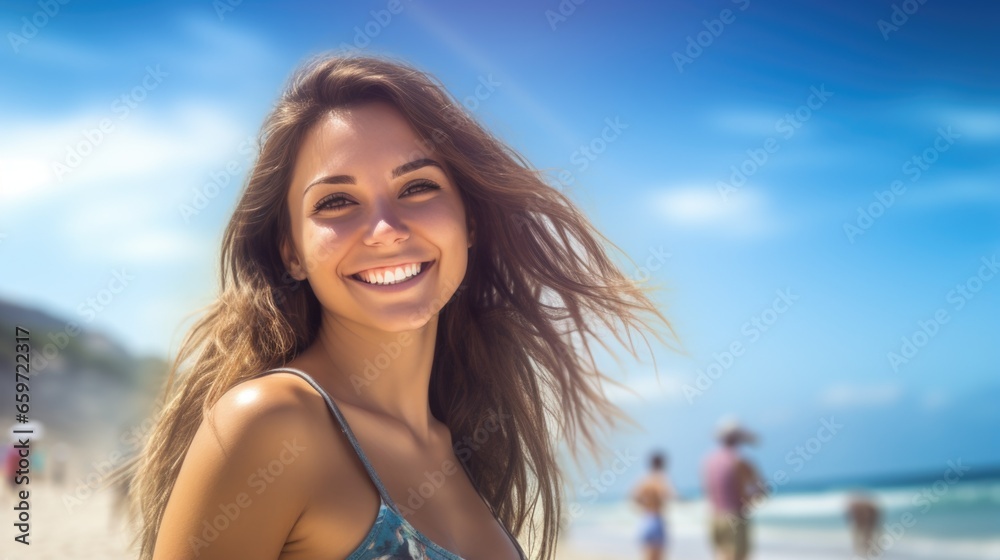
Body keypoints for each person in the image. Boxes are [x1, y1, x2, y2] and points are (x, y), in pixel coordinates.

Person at [117, 54, 674, 560]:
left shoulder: (457, 447)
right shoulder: (270, 424)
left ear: (469, 220)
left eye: (418, 188)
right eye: (337, 201)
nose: (385, 229)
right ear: (291, 251)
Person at [702, 418, 767, 560]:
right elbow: (762, 488)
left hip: (715, 517)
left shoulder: (708, 461)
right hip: (735, 516)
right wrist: (752, 499)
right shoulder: (739, 461)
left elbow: (709, 490)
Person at [630, 451, 675, 560]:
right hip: (656, 519)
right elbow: (668, 494)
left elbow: (634, 497)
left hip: (645, 519)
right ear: (661, 464)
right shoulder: (660, 478)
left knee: (647, 556)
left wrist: (645, 505)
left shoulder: (644, 479)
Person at [846, 491, 881, 558]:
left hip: (869, 516)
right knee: (866, 532)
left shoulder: (863, 507)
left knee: (866, 532)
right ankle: (865, 548)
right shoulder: (858, 507)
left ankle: (865, 548)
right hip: (867, 516)